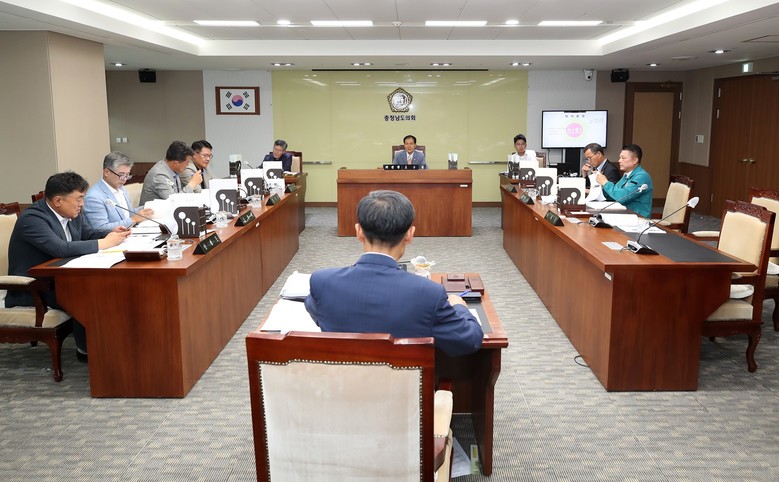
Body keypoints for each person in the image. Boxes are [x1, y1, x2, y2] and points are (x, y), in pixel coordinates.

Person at [304, 190, 483, 357]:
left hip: (341, 380)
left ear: (359, 232)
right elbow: (470, 340)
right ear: (410, 234)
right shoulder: (429, 294)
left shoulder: (322, 282)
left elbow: (317, 312)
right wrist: (459, 306)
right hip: (406, 382)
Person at [6, 171, 130, 361]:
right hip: (34, 287)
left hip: (63, 278)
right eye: (79, 199)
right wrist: (104, 243)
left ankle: (115, 344)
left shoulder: (73, 212)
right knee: (90, 294)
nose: (82, 204)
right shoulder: (32, 218)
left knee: (107, 287)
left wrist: (110, 233)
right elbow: (60, 248)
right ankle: (88, 351)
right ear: (58, 201)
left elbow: (88, 234)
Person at [83, 151, 154, 230]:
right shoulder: (94, 197)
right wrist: (133, 220)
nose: (125, 179)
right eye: (121, 175)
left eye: (127, 175)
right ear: (106, 172)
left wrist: (149, 206)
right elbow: (101, 228)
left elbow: (128, 213)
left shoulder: (121, 188)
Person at [596, 144, 654, 218]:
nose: (619, 161)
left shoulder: (641, 176)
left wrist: (605, 183)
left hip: (637, 218)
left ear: (635, 160)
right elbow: (614, 194)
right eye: (620, 158)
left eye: (623, 158)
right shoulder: (627, 175)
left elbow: (622, 197)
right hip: (624, 215)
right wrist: (599, 190)